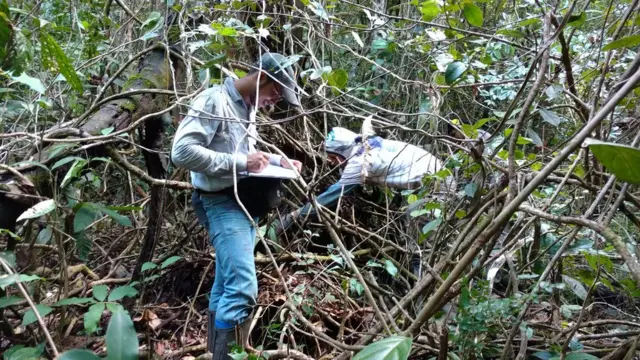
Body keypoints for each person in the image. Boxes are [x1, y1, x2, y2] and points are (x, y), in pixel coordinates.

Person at [170, 52, 302, 359]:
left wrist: (275, 160)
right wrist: (241, 161)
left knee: (227, 284)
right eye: (275, 93)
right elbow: (182, 153)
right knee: (242, 289)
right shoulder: (214, 101)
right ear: (263, 78)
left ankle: (218, 353)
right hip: (220, 202)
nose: (275, 101)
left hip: (241, 201)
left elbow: (245, 150)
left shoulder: (247, 107)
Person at [275, 125, 456, 235]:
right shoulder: (368, 146)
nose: (331, 162)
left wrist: (293, 217)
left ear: (342, 151)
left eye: (332, 157)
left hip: (437, 184)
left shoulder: (361, 160)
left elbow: (331, 197)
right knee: (412, 229)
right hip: (435, 177)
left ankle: (423, 291)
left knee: (421, 243)